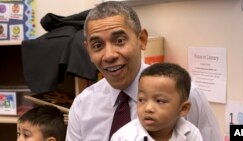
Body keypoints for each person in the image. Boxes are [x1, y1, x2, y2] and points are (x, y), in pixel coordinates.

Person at [66, 1, 222, 141]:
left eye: (119, 41)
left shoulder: (185, 94)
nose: (109, 56)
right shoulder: (82, 106)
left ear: (142, 39)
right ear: (88, 50)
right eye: (97, 46)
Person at [111, 62, 203, 141]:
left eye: (160, 101)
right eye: (141, 100)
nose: (148, 108)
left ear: (183, 108)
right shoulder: (123, 138)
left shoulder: (191, 134)